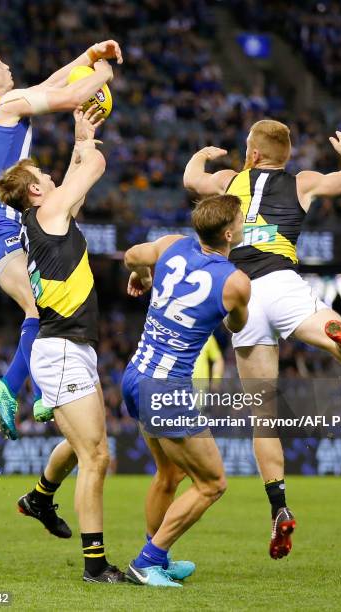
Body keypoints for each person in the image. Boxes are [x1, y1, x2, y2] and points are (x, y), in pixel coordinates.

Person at [183, 121, 341, 559]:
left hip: (241, 291)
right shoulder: (301, 183)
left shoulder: (227, 181)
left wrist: (205, 154)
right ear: (285, 156)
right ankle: (336, 337)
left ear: (251, 154)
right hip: (283, 280)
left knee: (264, 415)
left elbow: (191, 179)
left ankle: (279, 507)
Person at [0, 40, 122, 439]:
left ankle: (31, 391)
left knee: (42, 307)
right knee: (38, 309)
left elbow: (51, 83)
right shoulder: (5, 105)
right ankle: (14, 388)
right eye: (0, 62)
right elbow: (71, 95)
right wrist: (104, 75)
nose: (9, 65)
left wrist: (89, 55)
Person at [0, 108, 124, 583]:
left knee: (80, 446)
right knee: (97, 456)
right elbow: (93, 171)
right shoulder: (47, 211)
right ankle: (95, 566)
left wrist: (81, 137)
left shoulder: (45, 215)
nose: (50, 175)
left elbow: (75, 180)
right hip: (62, 347)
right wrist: (85, 142)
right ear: (33, 190)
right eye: (42, 175)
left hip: (69, 347)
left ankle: (40, 497)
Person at [122, 194, 250, 587]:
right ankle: (148, 560)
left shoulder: (170, 244)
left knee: (169, 473)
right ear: (228, 233)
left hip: (135, 375)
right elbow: (237, 327)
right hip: (167, 389)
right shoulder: (235, 281)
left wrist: (143, 278)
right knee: (212, 484)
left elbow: (130, 256)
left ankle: (157, 555)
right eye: (242, 220)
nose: (244, 224)